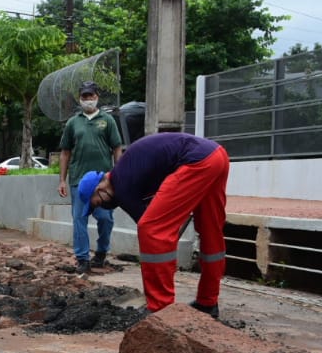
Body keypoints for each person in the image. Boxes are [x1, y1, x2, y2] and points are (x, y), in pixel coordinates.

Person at [78, 132, 230, 318]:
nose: (103, 206)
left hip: (196, 162)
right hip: (216, 155)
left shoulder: (122, 184)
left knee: (152, 230)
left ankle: (160, 307)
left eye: (98, 202)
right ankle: (208, 303)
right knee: (210, 231)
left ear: (100, 187)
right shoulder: (126, 172)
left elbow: (149, 226)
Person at [58, 80, 122, 275]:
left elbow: (117, 148)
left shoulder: (107, 120)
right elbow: (65, 152)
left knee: (105, 218)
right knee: (79, 219)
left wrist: (117, 174)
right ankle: (82, 259)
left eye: (91, 96)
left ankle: (101, 252)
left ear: (97, 97)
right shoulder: (73, 122)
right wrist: (62, 179)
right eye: (84, 97)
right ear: (80, 98)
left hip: (103, 180)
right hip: (78, 179)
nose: (88, 100)